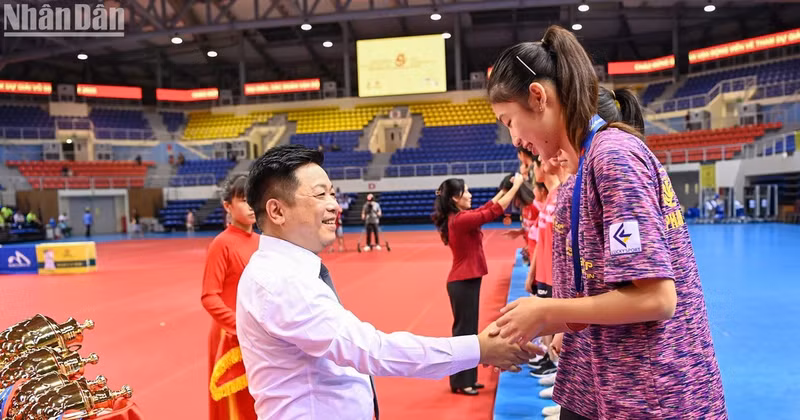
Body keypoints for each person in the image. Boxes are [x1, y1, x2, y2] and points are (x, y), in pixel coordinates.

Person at [487, 25, 726, 419]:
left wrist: (545, 313)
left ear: (537, 97)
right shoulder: (587, 168)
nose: (514, 138)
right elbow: (595, 284)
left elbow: (656, 298)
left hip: (651, 392)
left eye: (508, 120)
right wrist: (540, 322)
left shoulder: (613, 157)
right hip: (604, 380)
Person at [236, 144, 538, 420]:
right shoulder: (279, 282)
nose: (335, 205)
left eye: (332, 193)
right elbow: (371, 350)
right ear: (276, 211)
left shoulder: (290, 271)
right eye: (320, 195)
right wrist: (478, 349)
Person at [431, 173, 525, 396]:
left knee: (468, 332)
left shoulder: (460, 216)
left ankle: (465, 380)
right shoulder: (460, 220)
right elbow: (493, 211)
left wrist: (503, 190)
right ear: (455, 198)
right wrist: (517, 187)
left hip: (466, 281)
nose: (470, 194)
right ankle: (462, 382)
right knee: (465, 333)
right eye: (466, 191)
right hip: (462, 282)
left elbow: (485, 207)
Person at [201, 175, 259, 420]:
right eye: (245, 200)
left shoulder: (262, 242)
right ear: (228, 206)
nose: (251, 206)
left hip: (260, 333)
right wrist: (240, 325)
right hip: (231, 336)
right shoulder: (221, 244)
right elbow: (209, 296)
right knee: (237, 403)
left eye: (254, 200)